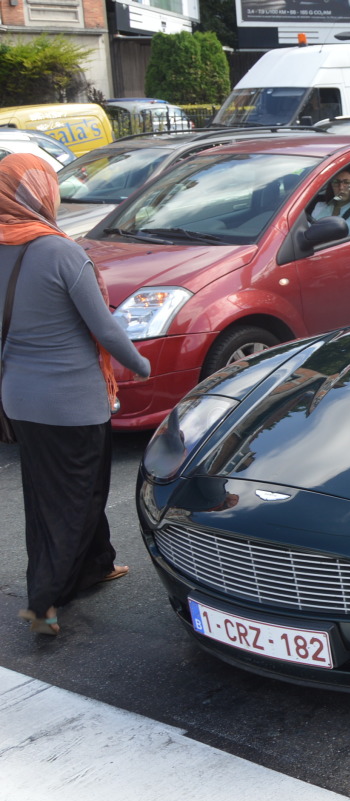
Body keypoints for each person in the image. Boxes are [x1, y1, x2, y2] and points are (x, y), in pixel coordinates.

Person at [0, 153, 151, 637]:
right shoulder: (61, 252)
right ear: (39, 194)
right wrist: (141, 366)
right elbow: (105, 330)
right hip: (71, 402)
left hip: (21, 399)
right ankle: (44, 601)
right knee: (79, 500)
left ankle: (96, 565)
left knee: (47, 497)